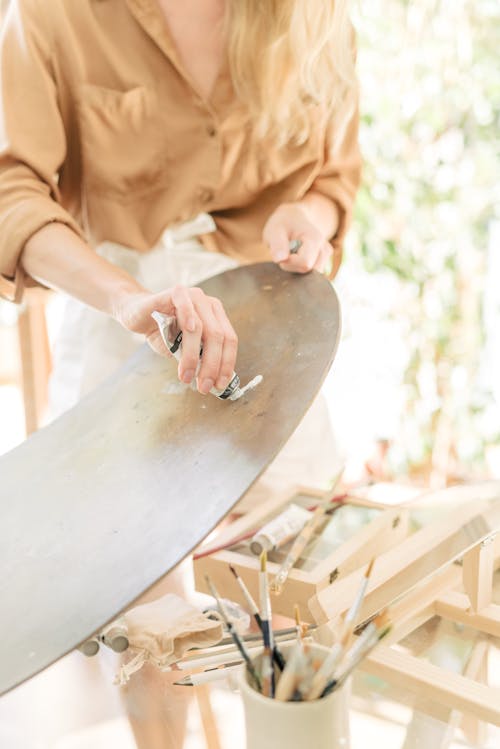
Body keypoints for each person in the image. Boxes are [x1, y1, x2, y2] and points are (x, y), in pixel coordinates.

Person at [0, 0, 361, 746]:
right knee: (146, 625)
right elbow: (11, 194)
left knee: (304, 590)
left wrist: (310, 219)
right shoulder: (53, 15)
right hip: (119, 305)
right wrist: (126, 298)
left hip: (272, 316)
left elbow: (337, 178)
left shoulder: (316, 14)